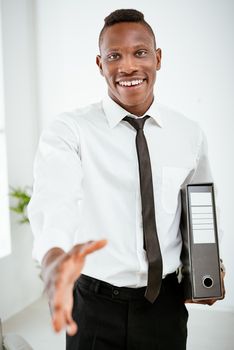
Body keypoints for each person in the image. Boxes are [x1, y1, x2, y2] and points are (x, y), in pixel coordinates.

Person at [28, 9, 225, 350]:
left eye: (140, 52)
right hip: (94, 306)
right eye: (114, 56)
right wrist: (53, 260)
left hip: (163, 305)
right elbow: (55, 200)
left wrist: (208, 268)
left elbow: (199, 212)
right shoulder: (70, 131)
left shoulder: (188, 134)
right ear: (99, 64)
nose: (128, 66)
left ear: (158, 58)